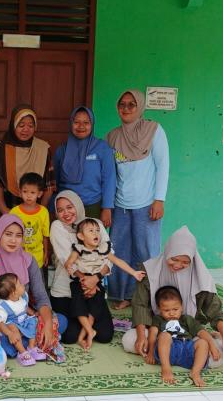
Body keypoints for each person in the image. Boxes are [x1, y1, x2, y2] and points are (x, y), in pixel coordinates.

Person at [122, 225, 223, 364]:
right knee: (129, 341)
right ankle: (180, 351)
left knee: (216, 358)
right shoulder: (149, 270)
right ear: (167, 252)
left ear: (192, 260)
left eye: (185, 262)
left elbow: (216, 312)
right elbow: (140, 304)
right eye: (174, 259)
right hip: (157, 328)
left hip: (189, 331)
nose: (178, 265)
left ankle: (207, 339)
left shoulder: (200, 277)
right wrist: (141, 336)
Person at [0, 214, 67, 359]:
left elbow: (41, 297)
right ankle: (30, 343)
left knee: (61, 320)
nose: (13, 240)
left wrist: (47, 324)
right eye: (8, 234)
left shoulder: (29, 260)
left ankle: (14, 345)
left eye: (18, 235)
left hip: (24, 317)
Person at [106, 89, 169, 309]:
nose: (126, 108)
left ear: (140, 107)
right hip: (120, 205)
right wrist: (108, 205)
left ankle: (150, 298)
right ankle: (123, 295)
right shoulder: (113, 136)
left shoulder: (154, 130)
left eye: (131, 104)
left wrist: (159, 199)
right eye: (122, 104)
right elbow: (110, 174)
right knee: (118, 251)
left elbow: (163, 166)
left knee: (146, 252)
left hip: (147, 204)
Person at [65, 217, 145, 349]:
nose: (96, 233)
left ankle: (86, 334)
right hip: (80, 282)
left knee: (95, 308)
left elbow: (118, 261)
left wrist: (134, 273)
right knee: (78, 305)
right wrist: (69, 266)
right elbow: (69, 262)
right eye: (91, 231)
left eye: (97, 230)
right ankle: (88, 331)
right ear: (81, 236)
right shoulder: (78, 249)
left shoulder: (103, 249)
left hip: (97, 282)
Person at [49, 190, 114, 345]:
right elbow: (68, 261)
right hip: (65, 291)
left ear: (78, 205)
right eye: (60, 210)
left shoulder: (95, 224)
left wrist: (95, 279)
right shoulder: (58, 226)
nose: (66, 213)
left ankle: (86, 326)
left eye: (69, 207)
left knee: (105, 336)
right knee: (69, 337)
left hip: (94, 289)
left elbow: (109, 255)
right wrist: (87, 281)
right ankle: (85, 326)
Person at [145, 285, 221, 388]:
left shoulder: (187, 319)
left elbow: (201, 332)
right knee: (164, 335)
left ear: (182, 307)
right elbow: (152, 334)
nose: (171, 313)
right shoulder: (158, 319)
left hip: (187, 349)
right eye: (166, 310)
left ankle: (195, 372)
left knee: (203, 342)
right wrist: (150, 352)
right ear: (160, 310)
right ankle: (166, 368)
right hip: (169, 350)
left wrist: (212, 346)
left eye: (175, 309)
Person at [53, 106, 116, 225]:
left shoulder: (102, 148)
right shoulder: (62, 150)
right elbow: (55, 181)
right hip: (66, 208)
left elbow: (109, 179)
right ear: (71, 124)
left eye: (86, 123)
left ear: (92, 124)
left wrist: (107, 208)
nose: (81, 126)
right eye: (76, 122)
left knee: (90, 236)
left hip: (92, 206)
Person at [0, 105, 55, 212]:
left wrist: (40, 210)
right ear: (13, 125)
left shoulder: (43, 149)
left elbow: (49, 185)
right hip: (8, 209)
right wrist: (4, 209)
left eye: (30, 125)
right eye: (21, 125)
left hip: (36, 212)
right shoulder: (2, 148)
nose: (26, 129)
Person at [0, 273, 45, 366]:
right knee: (12, 327)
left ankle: (31, 347)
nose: (23, 284)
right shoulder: (1, 306)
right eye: (19, 284)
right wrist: (9, 334)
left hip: (24, 321)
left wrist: (33, 313)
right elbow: (0, 323)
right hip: (12, 324)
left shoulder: (23, 297)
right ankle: (22, 352)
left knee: (33, 321)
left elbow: (25, 308)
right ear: (13, 292)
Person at [9, 172, 50, 271]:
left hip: (37, 258)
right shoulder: (14, 212)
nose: (28, 196)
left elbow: (45, 236)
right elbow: (9, 235)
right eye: (25, 191)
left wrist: (46, 253)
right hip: (18, 258)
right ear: (20, 192)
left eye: (32, 192)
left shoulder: (43, 212)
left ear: (39, 194)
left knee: (37, 280)